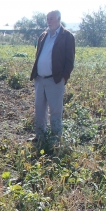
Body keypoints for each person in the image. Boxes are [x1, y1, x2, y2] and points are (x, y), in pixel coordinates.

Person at [29, 10, 75, 140]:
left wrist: (63, 77)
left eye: (52, 18)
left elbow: (70, 61)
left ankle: (56, 138)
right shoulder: (43, 35)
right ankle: (40, 135)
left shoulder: (67, 36)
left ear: (59, 19)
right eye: (47, 19)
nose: (49, 21)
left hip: (55, 80)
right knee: (39, 109)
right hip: (40, 79)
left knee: (55, 111)